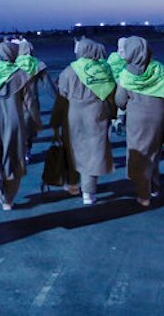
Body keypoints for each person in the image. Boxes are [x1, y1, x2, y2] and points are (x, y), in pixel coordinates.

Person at [115, 37, 164, 206]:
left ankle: (144, 192)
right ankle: (154, 186)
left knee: (138, 151)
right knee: (154, 151)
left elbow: (120, 101)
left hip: (136, 117)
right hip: (158, 115)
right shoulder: (159, 68)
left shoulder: (126, 73)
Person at [0, 42, 37, 210]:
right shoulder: (21, 75)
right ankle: (8, 201)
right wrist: (33, 125)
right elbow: (30, 104)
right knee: (13, 162)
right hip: (16, 124)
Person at [57, 39, 116, 205]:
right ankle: (88, 192)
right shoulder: (103, 70)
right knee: (93, 153)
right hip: (96, 114)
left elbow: (61, 94)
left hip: (73, 114)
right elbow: (111, 94)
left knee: (73, 149)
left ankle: (71, 183)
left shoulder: (70, 70)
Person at [15, 41, 56, 161]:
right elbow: (48, 85)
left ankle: (20, 151)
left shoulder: (13, 64)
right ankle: (27, 151)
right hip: (32, 100)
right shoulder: (37, 64)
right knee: (30, 127)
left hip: (15, 101)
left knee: (18, 127)